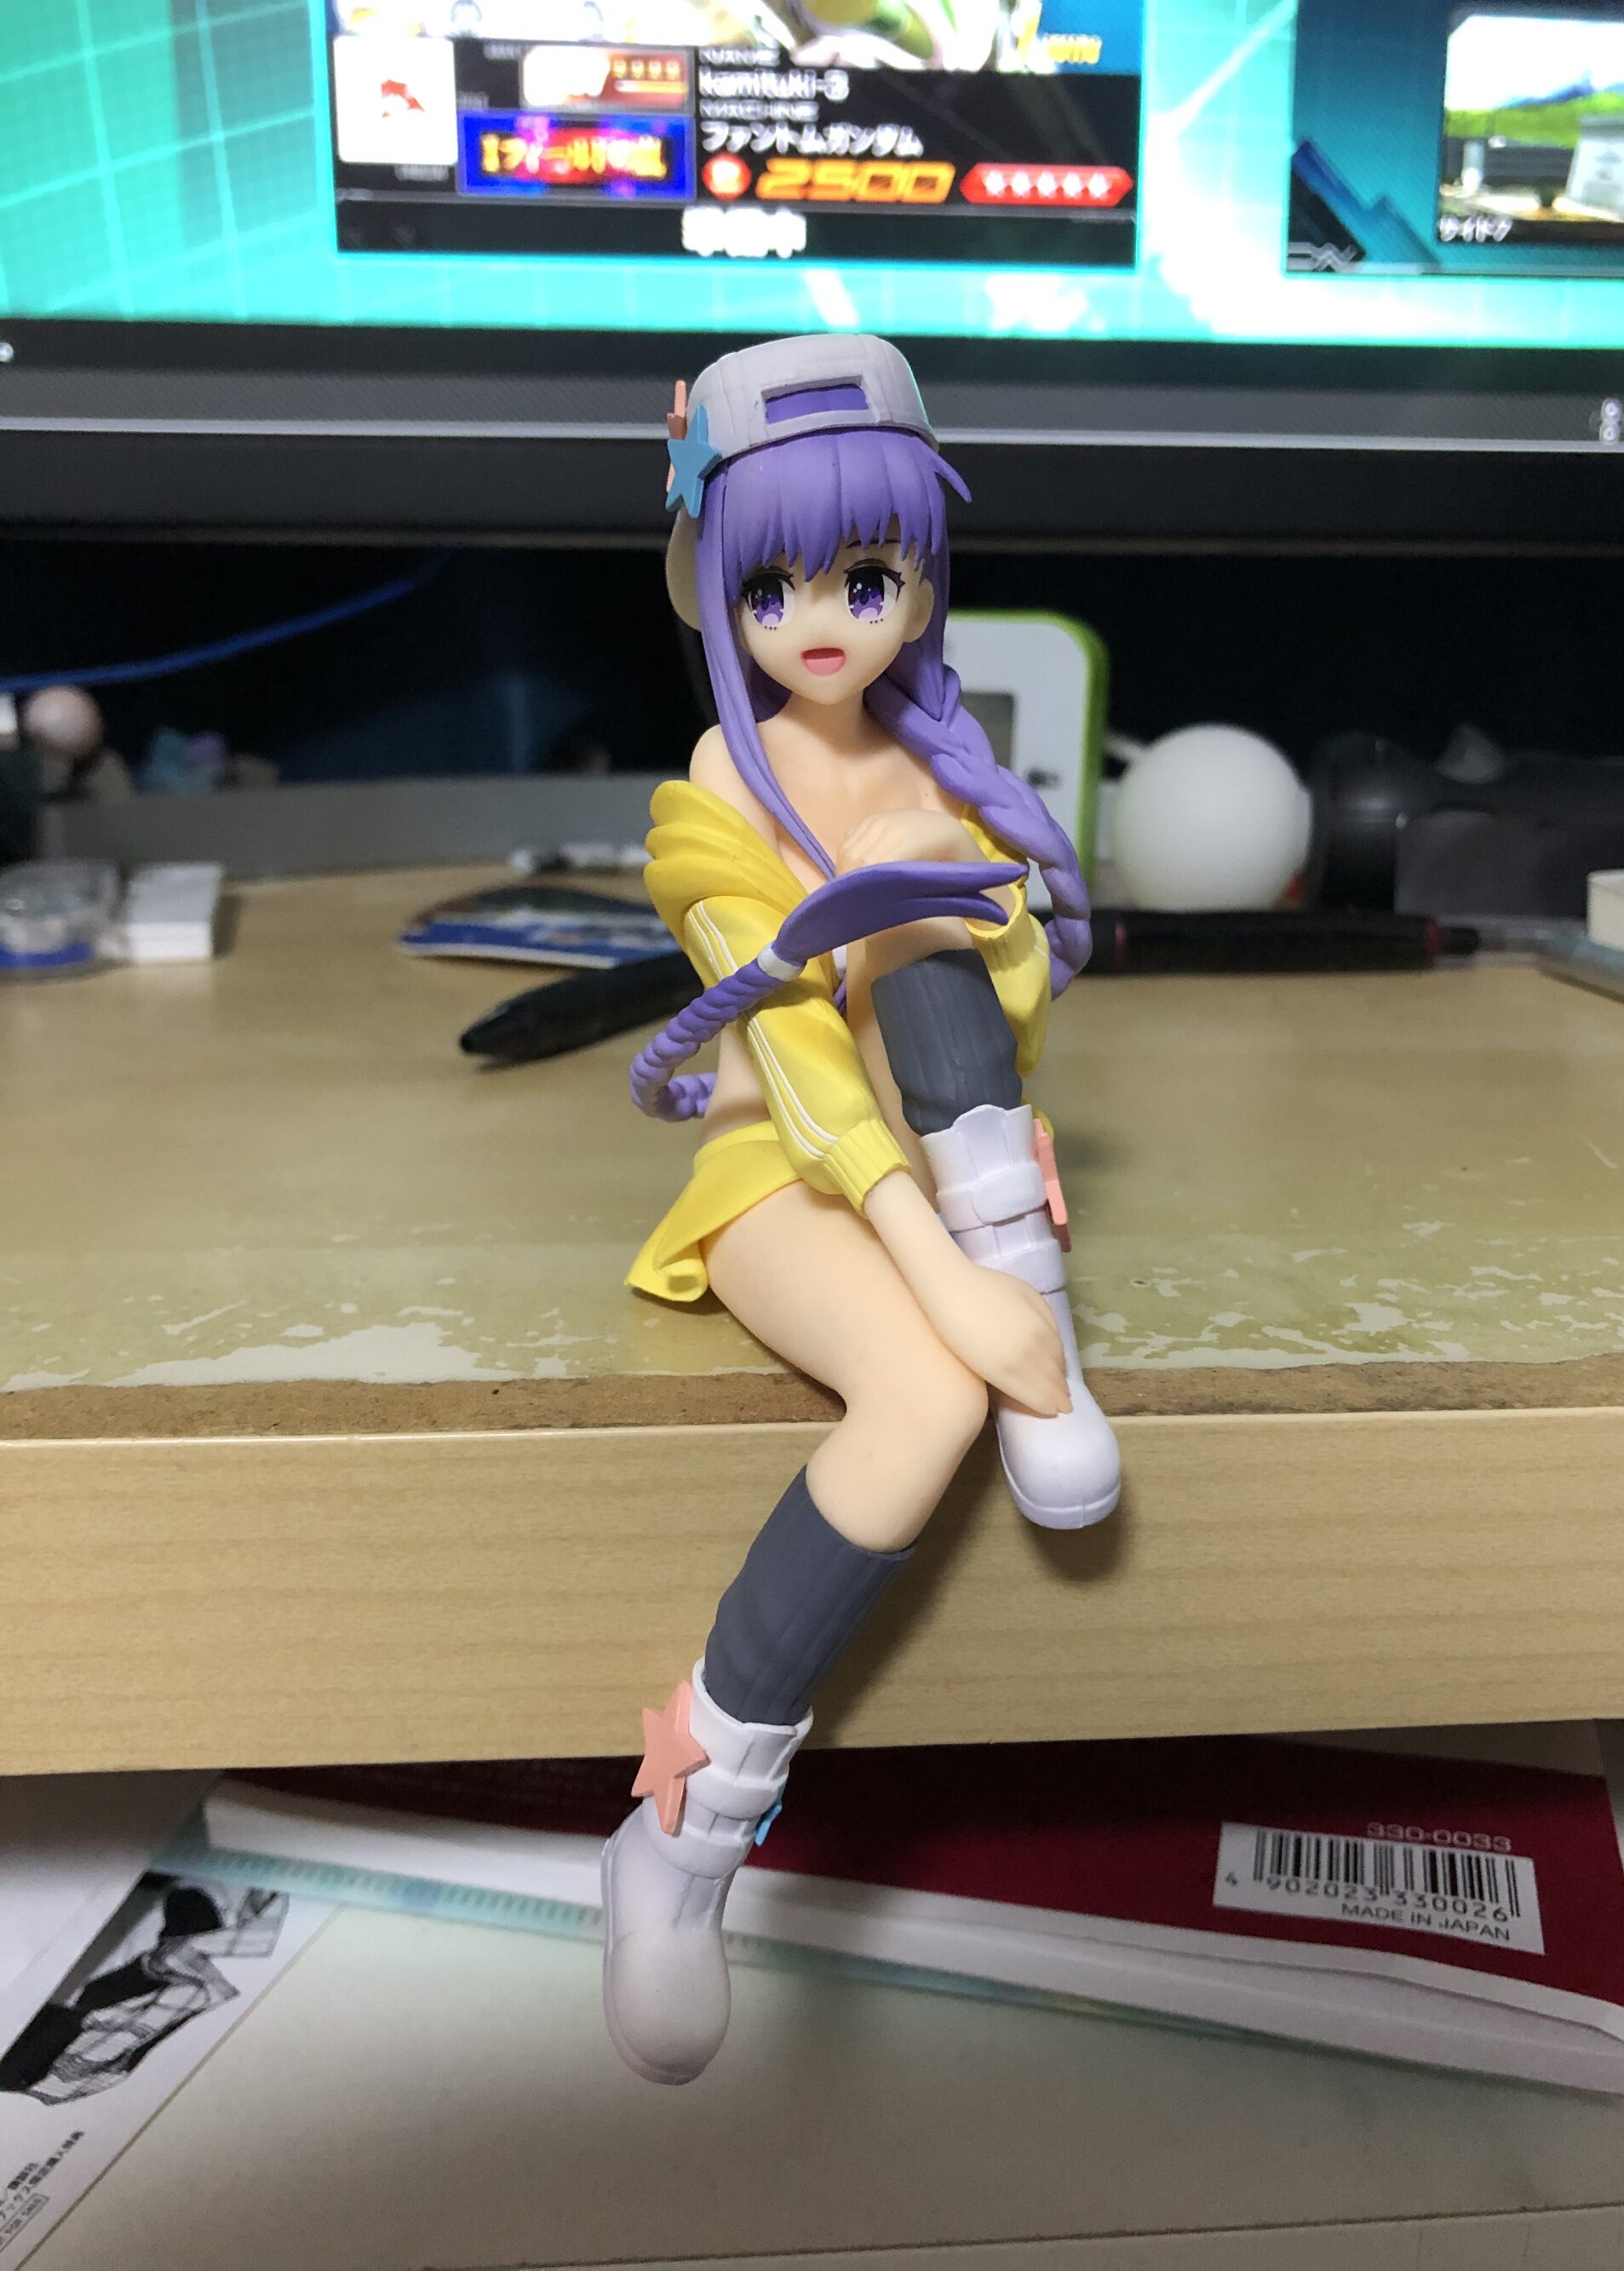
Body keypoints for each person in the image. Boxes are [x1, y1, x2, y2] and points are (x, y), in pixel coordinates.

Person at [604, 334, 1119, 2085]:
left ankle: (1043, 1328)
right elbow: (801, 1069)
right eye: (771, 587)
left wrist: (1001, 1155)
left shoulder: (941, 770)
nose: (819, 621)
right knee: (924, 1396)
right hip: (787, 1174)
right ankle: (679, 1843)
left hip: (954, 1167)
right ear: (713, 586)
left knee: (924, 934)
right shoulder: (718, 789)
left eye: (865, 577)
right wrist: (952, 1287)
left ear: (921, 575)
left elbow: (1006, 1012)